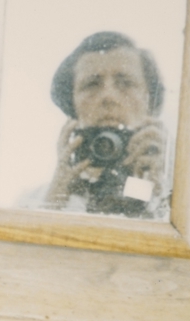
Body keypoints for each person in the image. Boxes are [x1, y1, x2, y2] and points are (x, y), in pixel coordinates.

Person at [42, 31, 170, 218]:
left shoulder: (180, 194)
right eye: (91, 84)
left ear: (149, 100)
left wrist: (161, 188)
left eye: (126, 83)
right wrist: (55, 199)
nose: (108, 96)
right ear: (72, 104)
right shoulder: (37, 200)